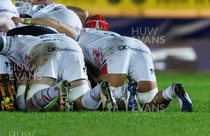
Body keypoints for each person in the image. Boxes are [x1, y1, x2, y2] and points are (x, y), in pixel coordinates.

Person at [14, 14, 194, 112]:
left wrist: (27, 21)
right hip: (140, 47)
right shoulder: (110, 34)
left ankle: (125, 91)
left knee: (91, 102)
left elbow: (57, 24)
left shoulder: (82, 33)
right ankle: (173, 91)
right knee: (150, 105)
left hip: (117, 50)